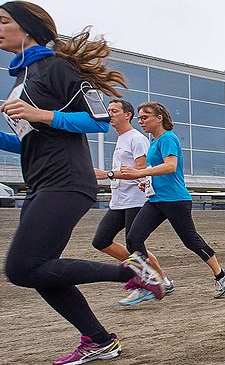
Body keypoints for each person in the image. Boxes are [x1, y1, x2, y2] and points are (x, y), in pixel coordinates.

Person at [0, 1, 163, 364]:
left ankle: (130, 271)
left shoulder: (55, 67)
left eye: (3, 21)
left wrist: (43, 113)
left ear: (28, 28)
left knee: (21, 268)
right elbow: (27, 142)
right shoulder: (23, 78)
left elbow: (98, 120)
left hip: (66, 181)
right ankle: (100, 341)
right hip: (42, 183)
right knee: (39, 270)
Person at [119, 102, 225, 298]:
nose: (140, 121)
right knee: (133, 239)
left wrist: (140, 172)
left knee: (191, 241)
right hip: (156, 200)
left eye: (145, 117)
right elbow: (159, 170)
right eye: (139, 118)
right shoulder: (154, 142)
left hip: (175, 200)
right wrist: (147, 181)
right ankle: (150, 281)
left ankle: (221, 274)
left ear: (159, 117)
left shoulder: (168, 138)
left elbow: (170, 166)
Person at [92, 99, 174, 306]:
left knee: (135, 245)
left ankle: (154, 280)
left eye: (114, 111)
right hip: (119, 200)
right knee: (101, 240)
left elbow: (141, 171)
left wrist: (108, 174)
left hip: (135, 200)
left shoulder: (136, 139)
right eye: (108, 111)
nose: (110, 114)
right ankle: (157, 278)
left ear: (127, 115)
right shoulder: (121, 139)